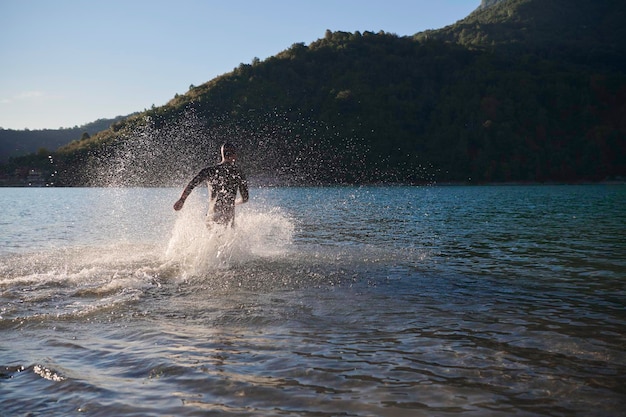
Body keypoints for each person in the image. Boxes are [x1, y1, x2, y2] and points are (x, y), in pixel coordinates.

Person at [174, 143, 249, 227]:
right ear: (234, 155)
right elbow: (245, 198)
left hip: (212, 217)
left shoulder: (210, 171)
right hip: (227, 219)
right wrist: (234, 202)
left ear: (222, 154)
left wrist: (182, 200)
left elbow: (192, 184)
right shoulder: (238, 173)